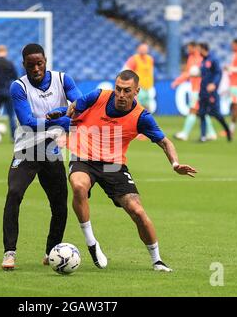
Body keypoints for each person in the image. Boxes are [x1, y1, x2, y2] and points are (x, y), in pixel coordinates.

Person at [62, 70, 197, 272]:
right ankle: (92, 243)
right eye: (118, 89)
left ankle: (157, 260)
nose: (121, 95)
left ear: (136, 91)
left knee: (137, 211)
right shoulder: (99, 95)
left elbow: (165, 142)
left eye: (127, 91)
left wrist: (175, 164)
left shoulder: (142, 116)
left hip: (113, 165)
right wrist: (67, 117)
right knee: (79, 186)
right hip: (84, 157)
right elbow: (74, 107)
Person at [1, 43, 82, 270]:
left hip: (52, 150)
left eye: (39, 63)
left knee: (59, 203)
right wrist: (60, 120)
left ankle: (52, 251)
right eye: (30, 64)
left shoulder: (63, 80)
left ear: (46, 61)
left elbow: (81, 107)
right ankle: (9, 252)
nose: (36, 68)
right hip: (26, 148)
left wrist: (63, 118)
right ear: (23, 64)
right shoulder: (18, 87)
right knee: (14, 193)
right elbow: (27, 122)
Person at [172, 41, 217, 141]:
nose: (188, 50)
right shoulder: (191, 58)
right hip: (194, 88)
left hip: (199, 88)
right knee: (203, 112)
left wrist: (178, 81)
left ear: (195, 47)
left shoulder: (202, 58)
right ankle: (211, 133)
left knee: (193, 110)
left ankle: (184, 133)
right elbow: (188, 72)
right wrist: (178, 80)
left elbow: (205, 72)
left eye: (189, 48)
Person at [198, 43, 232, 142]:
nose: (199, 51)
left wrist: (214, 84)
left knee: (216, 114)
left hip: (211, 92)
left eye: (200, 49)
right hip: (203, 91)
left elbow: (218, 73)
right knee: (202, 113)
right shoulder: (203, 61)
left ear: (203, 49)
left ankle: (227, 130)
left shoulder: (213, 59)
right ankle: (203, 137)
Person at [123, 42, 156, 113]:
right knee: (137, 106)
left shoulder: (150, 59)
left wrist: (152, 83)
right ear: (138, 49)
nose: (144, 50)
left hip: (148, 86)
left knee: (146, 106)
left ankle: (145, 121)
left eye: (145, 48)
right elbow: (126, 71)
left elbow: (151, 72)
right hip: (138, 87)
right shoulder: (133, 59)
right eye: (142, 48)